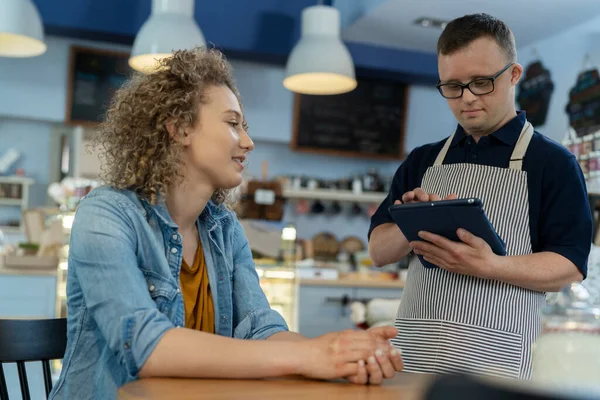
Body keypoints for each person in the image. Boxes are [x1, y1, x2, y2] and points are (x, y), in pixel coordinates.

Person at [49, 47, 403, 399]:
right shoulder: (106, 214)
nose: (247, 142)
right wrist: (309, 355)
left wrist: (346, 353)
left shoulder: (224, 229)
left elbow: (260, 327)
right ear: (179, 129)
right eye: (233, 124)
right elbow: (145, 346)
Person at [368, 13, 592, 380]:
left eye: (481, 83)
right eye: (452, 86)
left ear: (513, 75)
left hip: (500, 363)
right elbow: (378, 251)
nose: (467, 99)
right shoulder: (423, 160)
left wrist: (489, 266)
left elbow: (568, 267)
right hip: (416, 355)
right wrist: (413, 221)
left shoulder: (553, 163)